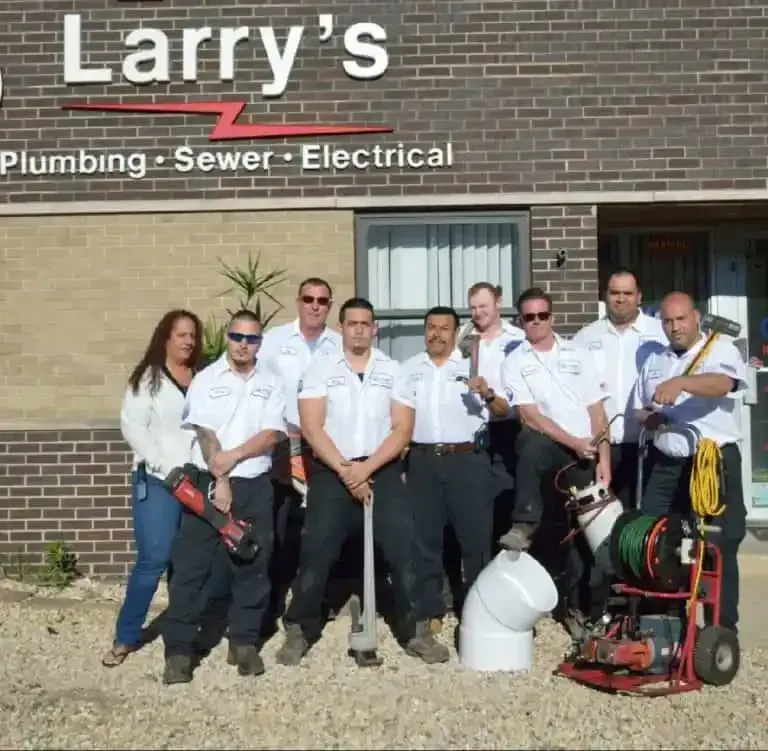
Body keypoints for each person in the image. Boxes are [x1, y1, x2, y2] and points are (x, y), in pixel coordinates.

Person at [276, 297, 448, 665]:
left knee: (404, 549)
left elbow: (402, 429)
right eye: (351, 323)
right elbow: (311, 427)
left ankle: (415, 630)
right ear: (343, 328)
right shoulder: (320, 369)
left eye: (364, 324)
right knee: (317, 549)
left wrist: (365, 469)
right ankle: (299, 628)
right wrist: (345, 471)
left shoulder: (393, 370)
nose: (358, 329)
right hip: (332, 469)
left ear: (374, 329)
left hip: (379, 468)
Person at [161, 310, 286, 684]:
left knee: (253, 565)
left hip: (255, 485)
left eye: (252, 339)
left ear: (259, 344)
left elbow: (270, 435)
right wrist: (221, 473)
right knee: (191, 569)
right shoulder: (206, 379)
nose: (243, 345)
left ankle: (244, 643)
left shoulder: (272, 382)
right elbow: (205, 431)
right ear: (228, 338)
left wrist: (232, 460)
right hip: (206, 481)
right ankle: (180, 651)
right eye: (237, 337)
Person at [633, 292, 747, 633]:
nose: (674, 327)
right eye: (667, 321)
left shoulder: (719, 348)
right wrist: (648, 419)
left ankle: (720, 630)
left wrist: (681, 382)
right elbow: (640, 407)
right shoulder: (655, 360)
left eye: (681, 319)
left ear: (696, 318)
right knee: (659, 541)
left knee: (718, 545)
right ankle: (669, 625)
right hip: (667, 460)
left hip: (710, 462)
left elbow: (722, 384)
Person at [499, 287, 611, 625]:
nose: (536, 322)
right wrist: (573, 441)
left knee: (582, 535)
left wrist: (604, 459)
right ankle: (525, 522)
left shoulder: (580, 355)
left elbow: (597, 411)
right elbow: (530, 415)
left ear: (553, 318)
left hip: (584, 453)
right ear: (520, 321)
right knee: (531, 440)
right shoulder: (514, 361)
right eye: (528, 317)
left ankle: (581, 610)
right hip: (552, 444)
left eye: (542, 316)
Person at [101, 310, 203, 668]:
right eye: (181, 335)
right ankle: (126, 635)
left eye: (192, 335)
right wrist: (165, 466)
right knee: (153, 559)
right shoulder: (148, 379)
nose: (188, 341)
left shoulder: (201, 378)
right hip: (158, 481)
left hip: (196, 480)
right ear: (165, 339)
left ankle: (180, 636)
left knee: (187, 560)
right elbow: (134, 429)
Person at [402, 306, 494, 634]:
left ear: (456, 334)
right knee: (425, 539)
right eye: (430, 327)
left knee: (475, 539)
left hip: (466, 460)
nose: (436, 334)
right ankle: (431, 609)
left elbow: (503, 408)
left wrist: (487, 392)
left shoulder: (474, 367)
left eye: (444, 328)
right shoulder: (409, 369)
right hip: (422, 460)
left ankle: (477, 608)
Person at [257, 277, 342, 630]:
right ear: (298, 301)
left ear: (329, 305)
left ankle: (315, 597)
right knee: (280, 522)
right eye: (309, 298)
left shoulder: (339, 344)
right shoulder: (274, 341)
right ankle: (273, 599)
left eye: (322, 300)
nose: (315, 305)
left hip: (323, 443)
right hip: (283, 441)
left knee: (320, 523)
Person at [572, 269, 667, 507]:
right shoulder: (585, 337)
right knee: (603, 520)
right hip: (604, 447)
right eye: (615, 292)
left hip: (651, 443)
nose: (621, 299)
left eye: (627, 293)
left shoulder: (660, 334)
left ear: (639, 296)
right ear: (606, 295)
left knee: (647, 521)